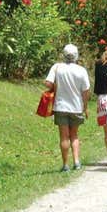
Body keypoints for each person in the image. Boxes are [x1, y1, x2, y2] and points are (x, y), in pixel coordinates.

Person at [45, 44, 90, 172]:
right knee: (74, 135)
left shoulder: (57, 67)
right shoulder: (81, 70)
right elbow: (86, 91)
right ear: (76, 56)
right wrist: (85, 107)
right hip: (76, 107)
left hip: (60, 106)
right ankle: (76, 161)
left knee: (64, 136)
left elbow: (48, 83)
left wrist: (55, 87)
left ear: (63, 55)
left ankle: (65, 165)